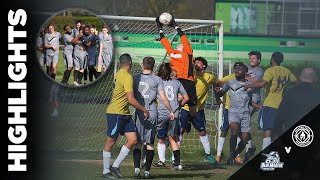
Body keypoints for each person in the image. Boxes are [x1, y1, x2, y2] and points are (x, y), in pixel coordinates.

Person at [102, 53, 149, 179]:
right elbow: (131, 100)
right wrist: (144, 109)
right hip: (116, 113)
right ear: (130, 63)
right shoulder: (127, 77)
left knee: (133, 139)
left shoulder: (118, 74)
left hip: (124, 113)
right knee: (111, 141)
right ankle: (105, 171)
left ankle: (115, 166)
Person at [243, 52, 297, 152]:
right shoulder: (286, 71)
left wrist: (247, 86)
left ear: (272, 59)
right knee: (277, 131)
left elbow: (262, 84)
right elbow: (296, 82)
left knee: (267, 131)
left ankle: (265, 156)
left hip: (270, 105)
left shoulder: (270, 70)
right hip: (282, 105)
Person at [132, 57, 174, 179]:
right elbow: (163, 98)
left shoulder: (135, 78)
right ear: (154, 66)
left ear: (141, 65)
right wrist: (170, 110)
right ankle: (147, 172)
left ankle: (136, 170)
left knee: (138, 142)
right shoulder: (157, 79)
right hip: (152, 112)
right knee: (150, 143)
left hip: (140, 112)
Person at [216, 62, 261, 165]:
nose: (237, 71)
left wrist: (259, 106)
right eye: (235, 69)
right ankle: (231, 157)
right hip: (233, 112)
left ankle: (234, 155)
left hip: (245, 114)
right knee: (234, 129)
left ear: (245, 71)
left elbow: (249, 101)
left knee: (245, 139)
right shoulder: (230, 82)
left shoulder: (249, 86)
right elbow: (221, 93)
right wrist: (218, 93)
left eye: (239, 69)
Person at [156, 15, 197, 125]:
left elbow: (184, 38)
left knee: (193, 109)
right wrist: (160, 28)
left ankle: (189, 119)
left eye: (181, 45)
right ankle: (174, 114)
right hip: (177, 80)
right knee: (177, 99)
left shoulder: (188, 53)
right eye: (178, 45)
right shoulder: (172, 53)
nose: (179, 44)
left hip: (188, 81)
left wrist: (176, 26)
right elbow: (164, 42)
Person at [179, 57, 218, 164]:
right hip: (185, 108)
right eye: (195, 62)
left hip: (198, 109)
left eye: (198, 62)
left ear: (204, 65)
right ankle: (175, 155)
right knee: (180, 130)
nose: (196, 64)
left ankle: (208, 154)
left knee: (202, 131)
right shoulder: (191, 76)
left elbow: (218, 83)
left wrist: (219, 94)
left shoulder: (210, 77)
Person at [154, 63, 189, 170]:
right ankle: (177, 163)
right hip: (174, 113)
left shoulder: (157, 82)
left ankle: (161, 161)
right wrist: (179, 105)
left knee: (161, 138)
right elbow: (186, 97)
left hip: (162, 113)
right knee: (173, 138)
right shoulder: (177, 82)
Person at [275, 68, 320, 136]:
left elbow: (280, 114)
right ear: (315, 79)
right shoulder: (317, 94)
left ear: (300, 77)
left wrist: (278, 131)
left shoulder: (290, 92)